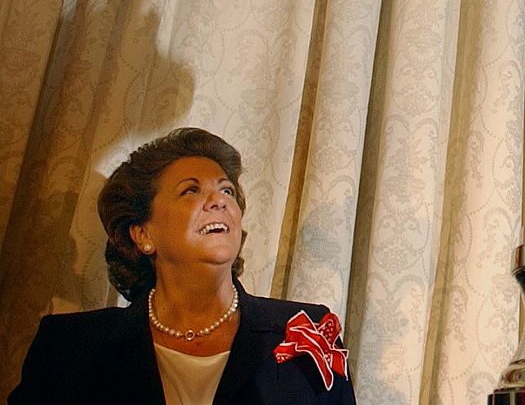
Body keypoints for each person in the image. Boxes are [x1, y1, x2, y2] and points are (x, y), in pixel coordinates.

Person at [9, 127, 357, 404]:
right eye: (191, 190)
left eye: (227, 191)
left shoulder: (307, 332)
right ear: (143, 234)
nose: (219, 201)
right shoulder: (69, 348)